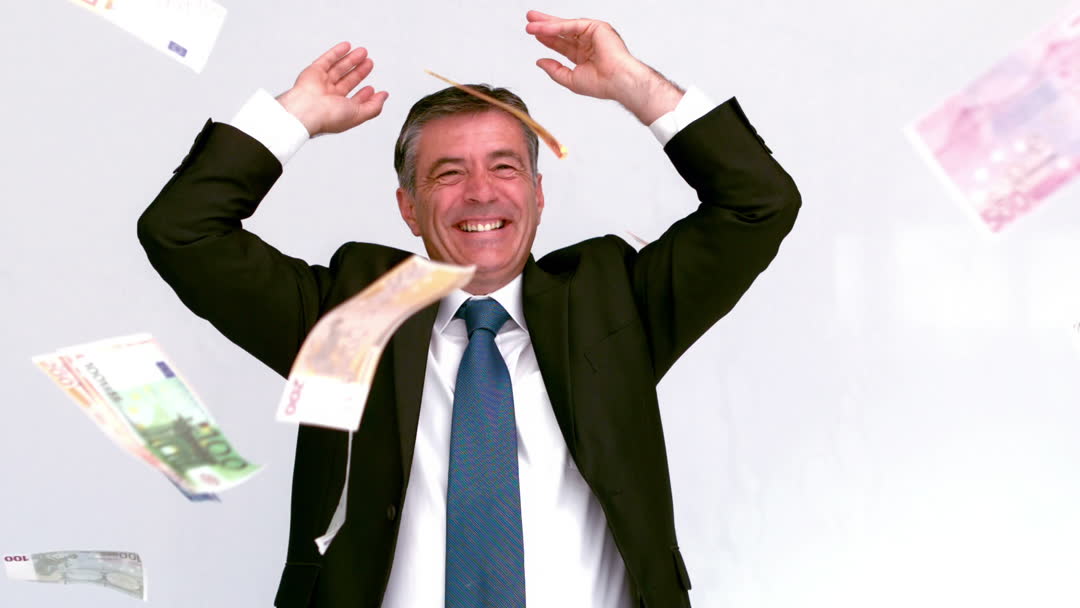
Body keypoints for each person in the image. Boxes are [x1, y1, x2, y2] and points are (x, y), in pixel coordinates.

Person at [137, 10, 800, 608]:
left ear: (538, 194)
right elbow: (182, 232)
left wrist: (634, 84)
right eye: (449, 173)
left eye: (504, 168)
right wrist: (294, 116)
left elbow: (758, 204)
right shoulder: (348, 318)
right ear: (408, 207)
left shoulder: (615, 304)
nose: (481, 193)